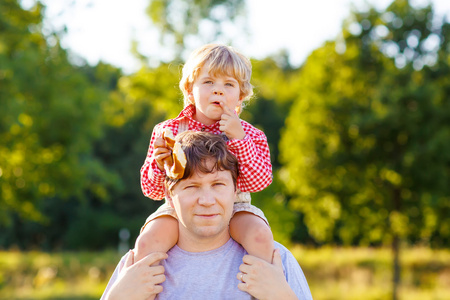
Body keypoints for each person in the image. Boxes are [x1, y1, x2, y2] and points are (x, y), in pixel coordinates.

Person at [101, 131, 313, 300]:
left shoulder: (275, 260)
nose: (207, 200)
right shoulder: (140, 266)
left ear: (235, 189)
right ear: (169, 193)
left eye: (218, 184)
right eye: (192, 186)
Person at [137, 44, 274, 264]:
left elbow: (259, 182)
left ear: (240, 96)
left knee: (259, 236)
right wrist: (160, 164)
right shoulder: (168, 131)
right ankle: (143, 292)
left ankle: (266, 287)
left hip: (235, 208)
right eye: (209, 82)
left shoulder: (250, 133)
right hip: (178, 211)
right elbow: (150, 190)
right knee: (147, 242)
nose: (218, 90)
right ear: (191, 91)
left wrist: (239, 141)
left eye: (228, 84)